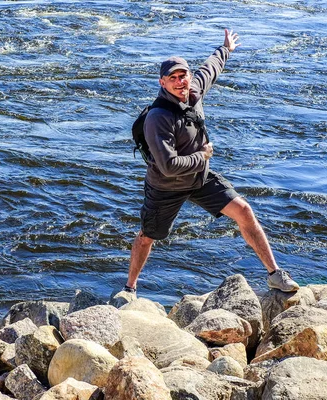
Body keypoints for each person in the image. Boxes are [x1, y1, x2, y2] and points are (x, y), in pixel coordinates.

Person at [125, 29, 299, 294]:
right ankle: (129, 288)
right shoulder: (158, 118)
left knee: (244, 211)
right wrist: (203, 156)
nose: (180, 82)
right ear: (163, 83)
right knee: (148, 237)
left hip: (199, 179)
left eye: (183, 75)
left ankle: (275, 274)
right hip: (165, 187)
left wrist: (225, 48)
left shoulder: (194, 92)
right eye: (173, 78)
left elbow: (211, 68)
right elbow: (168, 166)